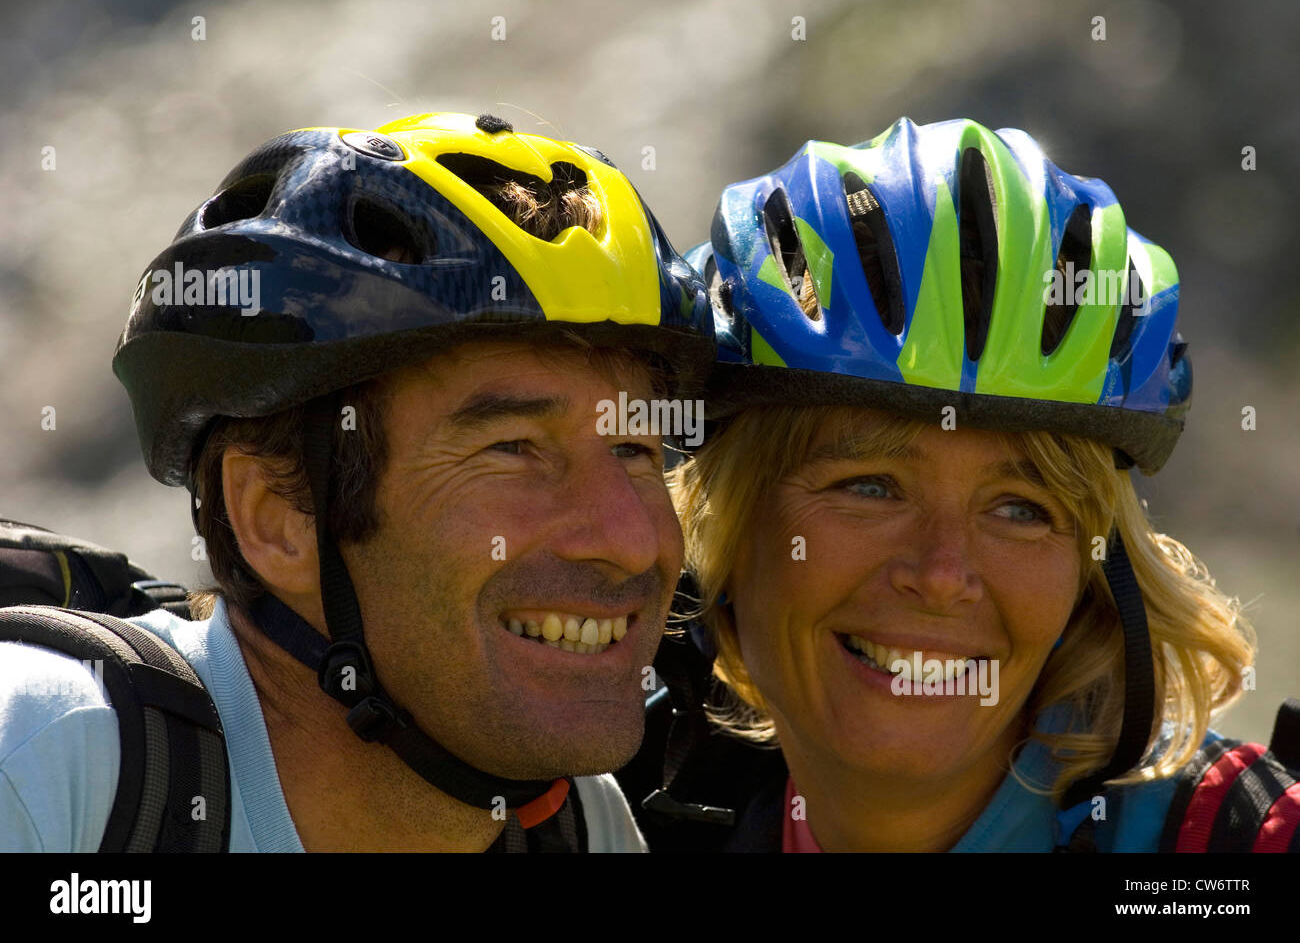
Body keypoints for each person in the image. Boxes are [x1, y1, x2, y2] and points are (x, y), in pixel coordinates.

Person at [0, 110, 715, 852]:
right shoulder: (45, 766)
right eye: (512, 447)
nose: (632, 541)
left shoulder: (584, 830)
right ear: (277, 514)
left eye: (635, 447)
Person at [653, 116, 1296, 852]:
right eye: (870, 487)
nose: (941, 575)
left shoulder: (1238, 842)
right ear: (727, 524)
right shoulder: (602, 806)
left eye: (1021, 508)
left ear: (1094, 574)